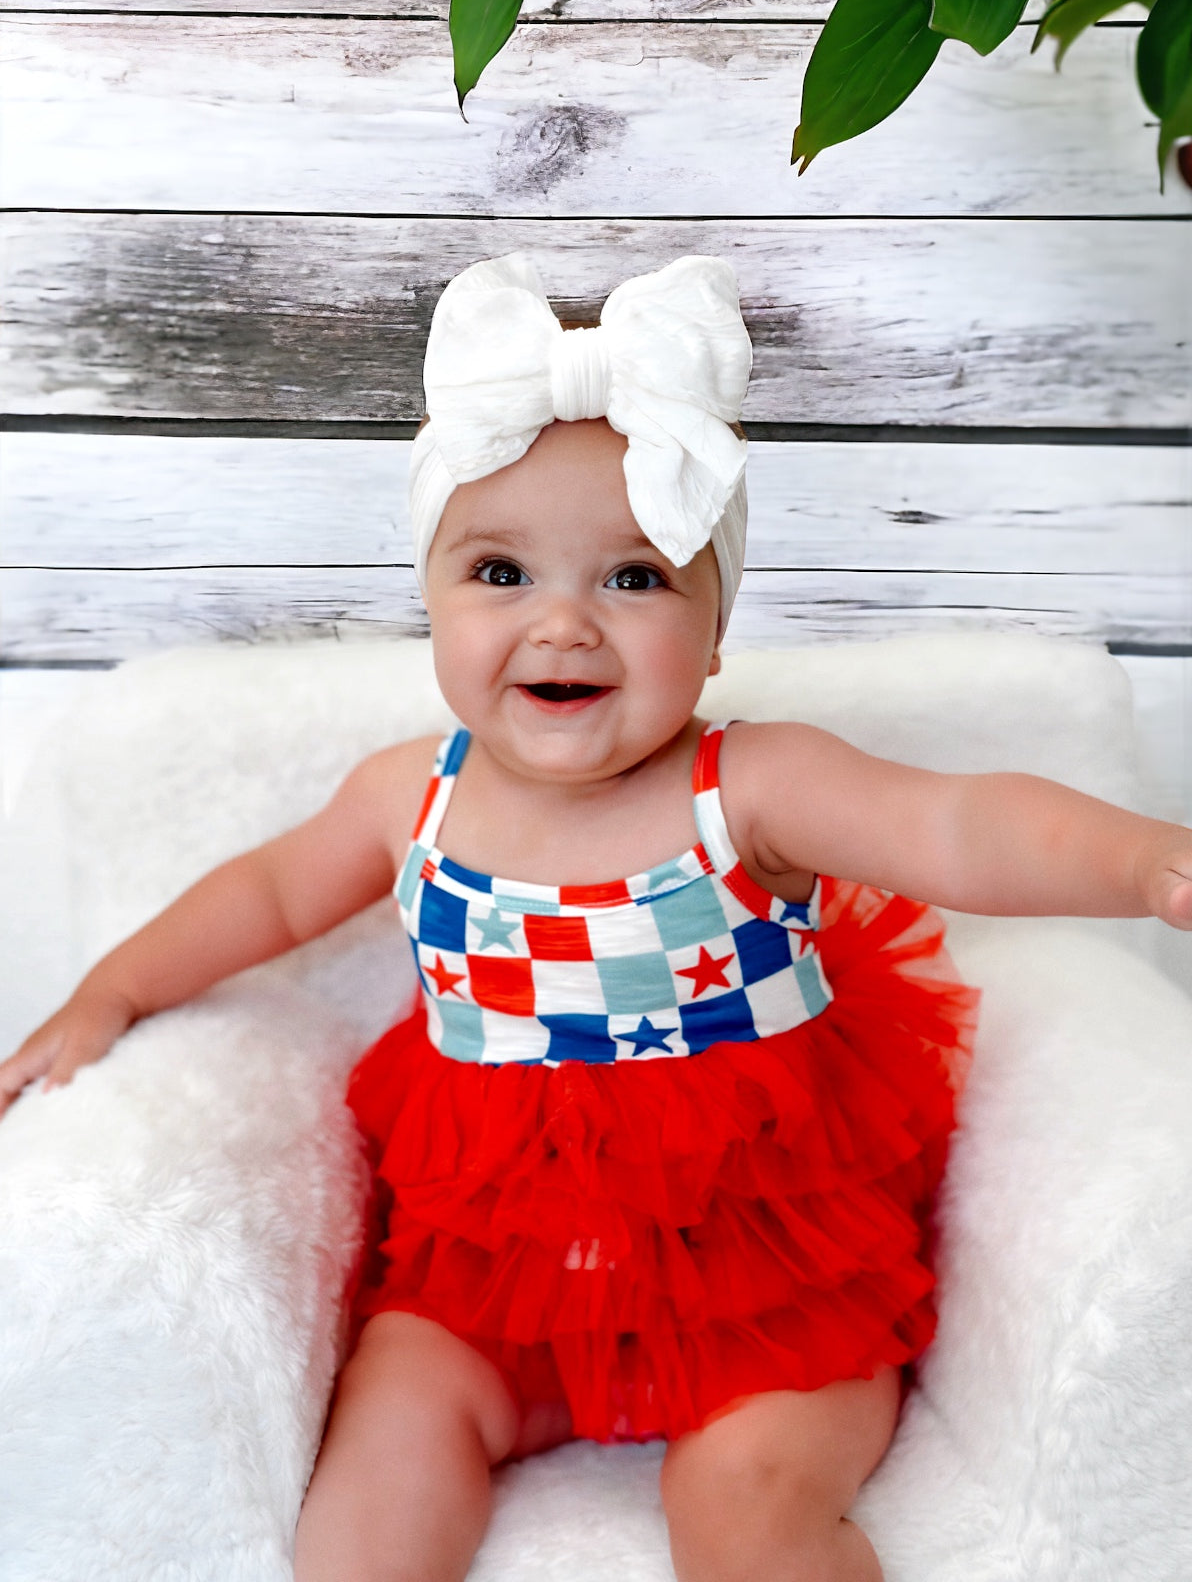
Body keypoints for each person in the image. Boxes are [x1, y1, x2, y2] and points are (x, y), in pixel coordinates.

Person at [1, 252, 1189, 1582]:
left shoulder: (751, 787)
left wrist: (1147, 862)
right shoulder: (413, 800)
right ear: (432, 601)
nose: (563, 623)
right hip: (499, 1290)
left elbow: (958, 825)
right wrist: (112, 986)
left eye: (633, 579)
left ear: (718, 624)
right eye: (500, 572)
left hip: (764, 1287)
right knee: (388, 1447)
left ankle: (765, 1499)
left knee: (745, 1517)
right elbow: (269, 892)